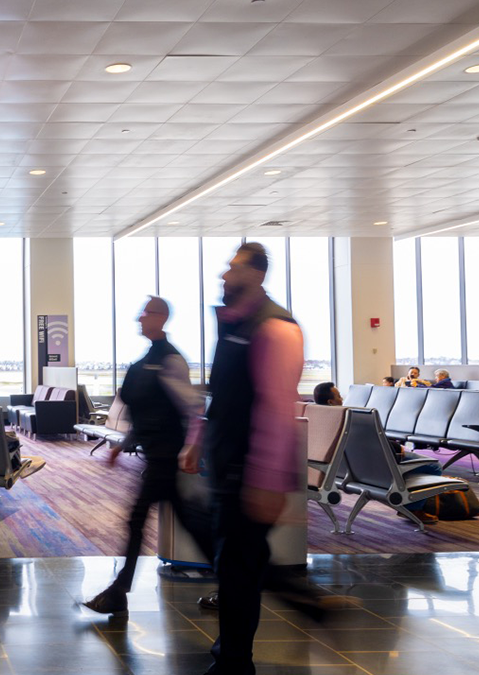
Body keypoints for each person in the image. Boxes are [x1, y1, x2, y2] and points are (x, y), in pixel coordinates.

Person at [182, 242, 336, 674]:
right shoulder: (236, 322)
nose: (224, 276)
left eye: (232, 269)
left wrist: (266, 479)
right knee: (237, 559)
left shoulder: (275, 328)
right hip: (228, 461)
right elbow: (221, 392)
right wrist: (198, 439)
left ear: (257, 274)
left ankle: (233, 662)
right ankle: (303, 600)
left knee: (237, 568)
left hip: (250, 469)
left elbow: (274, 406)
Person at [83, 296, 212, 615]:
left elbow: (193, 408)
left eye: (147, 313)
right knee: (189, 523)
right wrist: (122, 443)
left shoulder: (170, 360)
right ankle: (237, 579)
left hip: (167, 457)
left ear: (162, 317)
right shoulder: (146, 360)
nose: (140, 318)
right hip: (156, 456)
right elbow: (144, 409)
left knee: (140, 520)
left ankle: (119, 591)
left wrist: (191, 446)